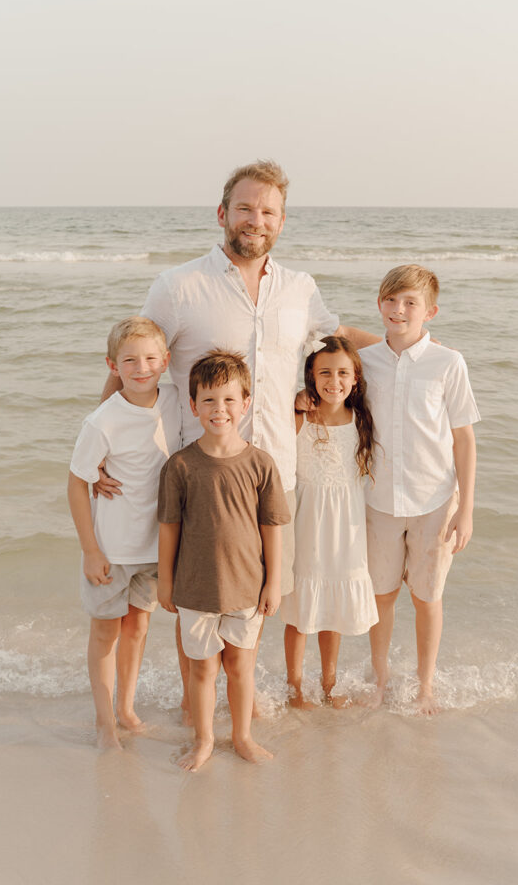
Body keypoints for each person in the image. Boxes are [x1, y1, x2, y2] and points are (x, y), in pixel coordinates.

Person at [97, 160, 378, 720]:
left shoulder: (300, 288)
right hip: (196, 472)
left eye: (268, 211)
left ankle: (242, 709)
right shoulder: (178, 286)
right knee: (198, 596)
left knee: (262, 596)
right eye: (246, 208)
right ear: (223, 213)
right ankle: (194, 707)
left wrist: (413, 348)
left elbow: (339, 337)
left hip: (276, 471)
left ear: (281, 221)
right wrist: (101, 446)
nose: (257, 220)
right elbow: (134, 362)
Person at [157, 351, 290, 771]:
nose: (220, 410)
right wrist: (165, 582)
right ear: (193, 406)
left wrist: (274, 582)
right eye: (209, 400)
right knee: (202, 671)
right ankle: (204, 740)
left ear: (245, 402)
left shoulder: (260, 463)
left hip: (247, 586)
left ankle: (242, 736)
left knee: (240, 666)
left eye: (230, 400)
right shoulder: (180, 465)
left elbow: (272, 526)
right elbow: (169, 528)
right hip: (195, 587)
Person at [360, 265, 479, 715]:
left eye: (410, 302)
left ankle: (425, 684)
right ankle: (380, 678)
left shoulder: (448, 362)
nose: (399, 309)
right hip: (379, 499)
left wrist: (466, 509)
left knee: (427, 597)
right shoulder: (365, 362)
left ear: (429, 312)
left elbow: (464, 439)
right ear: (379, 304)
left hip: (434, 501)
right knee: (382, 596)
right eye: (391, 300)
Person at [67, 317, 181, 749]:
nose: (141, 367)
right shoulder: (103, 420)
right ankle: (104, 722)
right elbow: (77, 482)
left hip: (155, 547)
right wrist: (90, 550)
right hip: (112, 550)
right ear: (112, 365)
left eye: (151, 358)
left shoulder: (174, 401)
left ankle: (127, 708)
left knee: (137, 628)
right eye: (130, 360)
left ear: (166, 361)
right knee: (106, 632)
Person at [281, 336, 379, 708]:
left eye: (342, 372)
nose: (333, 381)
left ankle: (328, 683)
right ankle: (294, 687)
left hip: (346, 528)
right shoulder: (301, 416)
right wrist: (294, 402)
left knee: (332, 611)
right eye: (324, 372)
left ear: (355, 378)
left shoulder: (361, 419)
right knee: (300, 612)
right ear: (310, 376)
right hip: (307, 523)